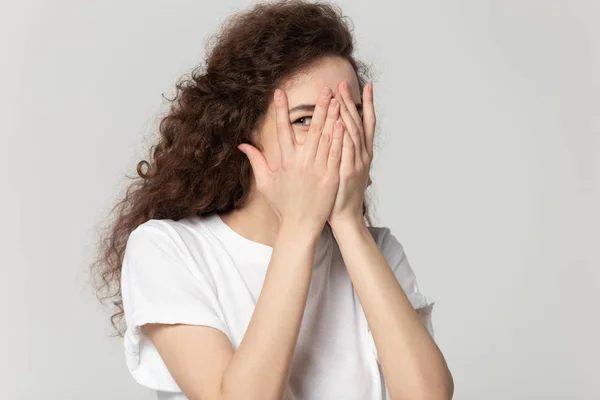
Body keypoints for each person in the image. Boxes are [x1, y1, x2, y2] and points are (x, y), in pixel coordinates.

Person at [91, 1, 453, 399]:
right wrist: (299, 225)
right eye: (304, 119)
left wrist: (349, 225)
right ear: (244, 134)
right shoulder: (168, 249)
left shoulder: (377, 250)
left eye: (348, 116)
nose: (334, 138)